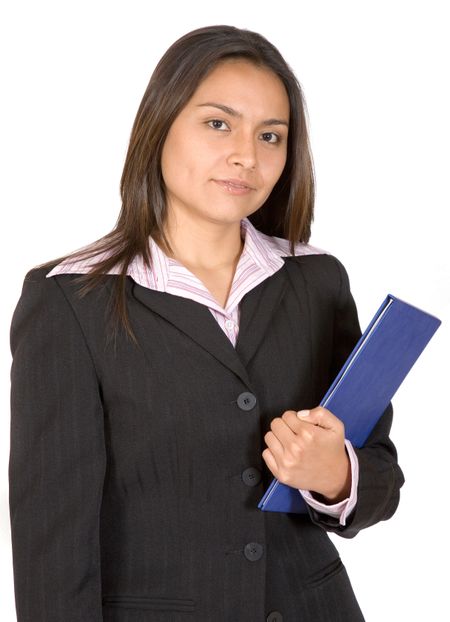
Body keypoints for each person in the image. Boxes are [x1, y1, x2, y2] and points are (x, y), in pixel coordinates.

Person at [9, 25, 404, 622]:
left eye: (270, 135)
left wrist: (336, 475)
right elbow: (52, 547)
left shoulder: (318, 282)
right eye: (218, 123)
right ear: (160, 125)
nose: (247, 154)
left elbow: (382, 478)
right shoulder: (69, 301)